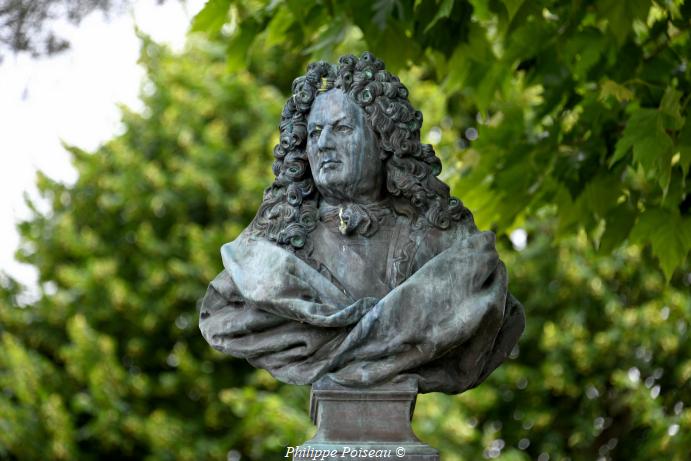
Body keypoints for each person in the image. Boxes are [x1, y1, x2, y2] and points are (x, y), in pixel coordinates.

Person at [199, 52, 524, 394]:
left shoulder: (447, 246)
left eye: (341, 128)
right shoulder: (262, 258)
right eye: (314, 133)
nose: (323, 144)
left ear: (384, 140)